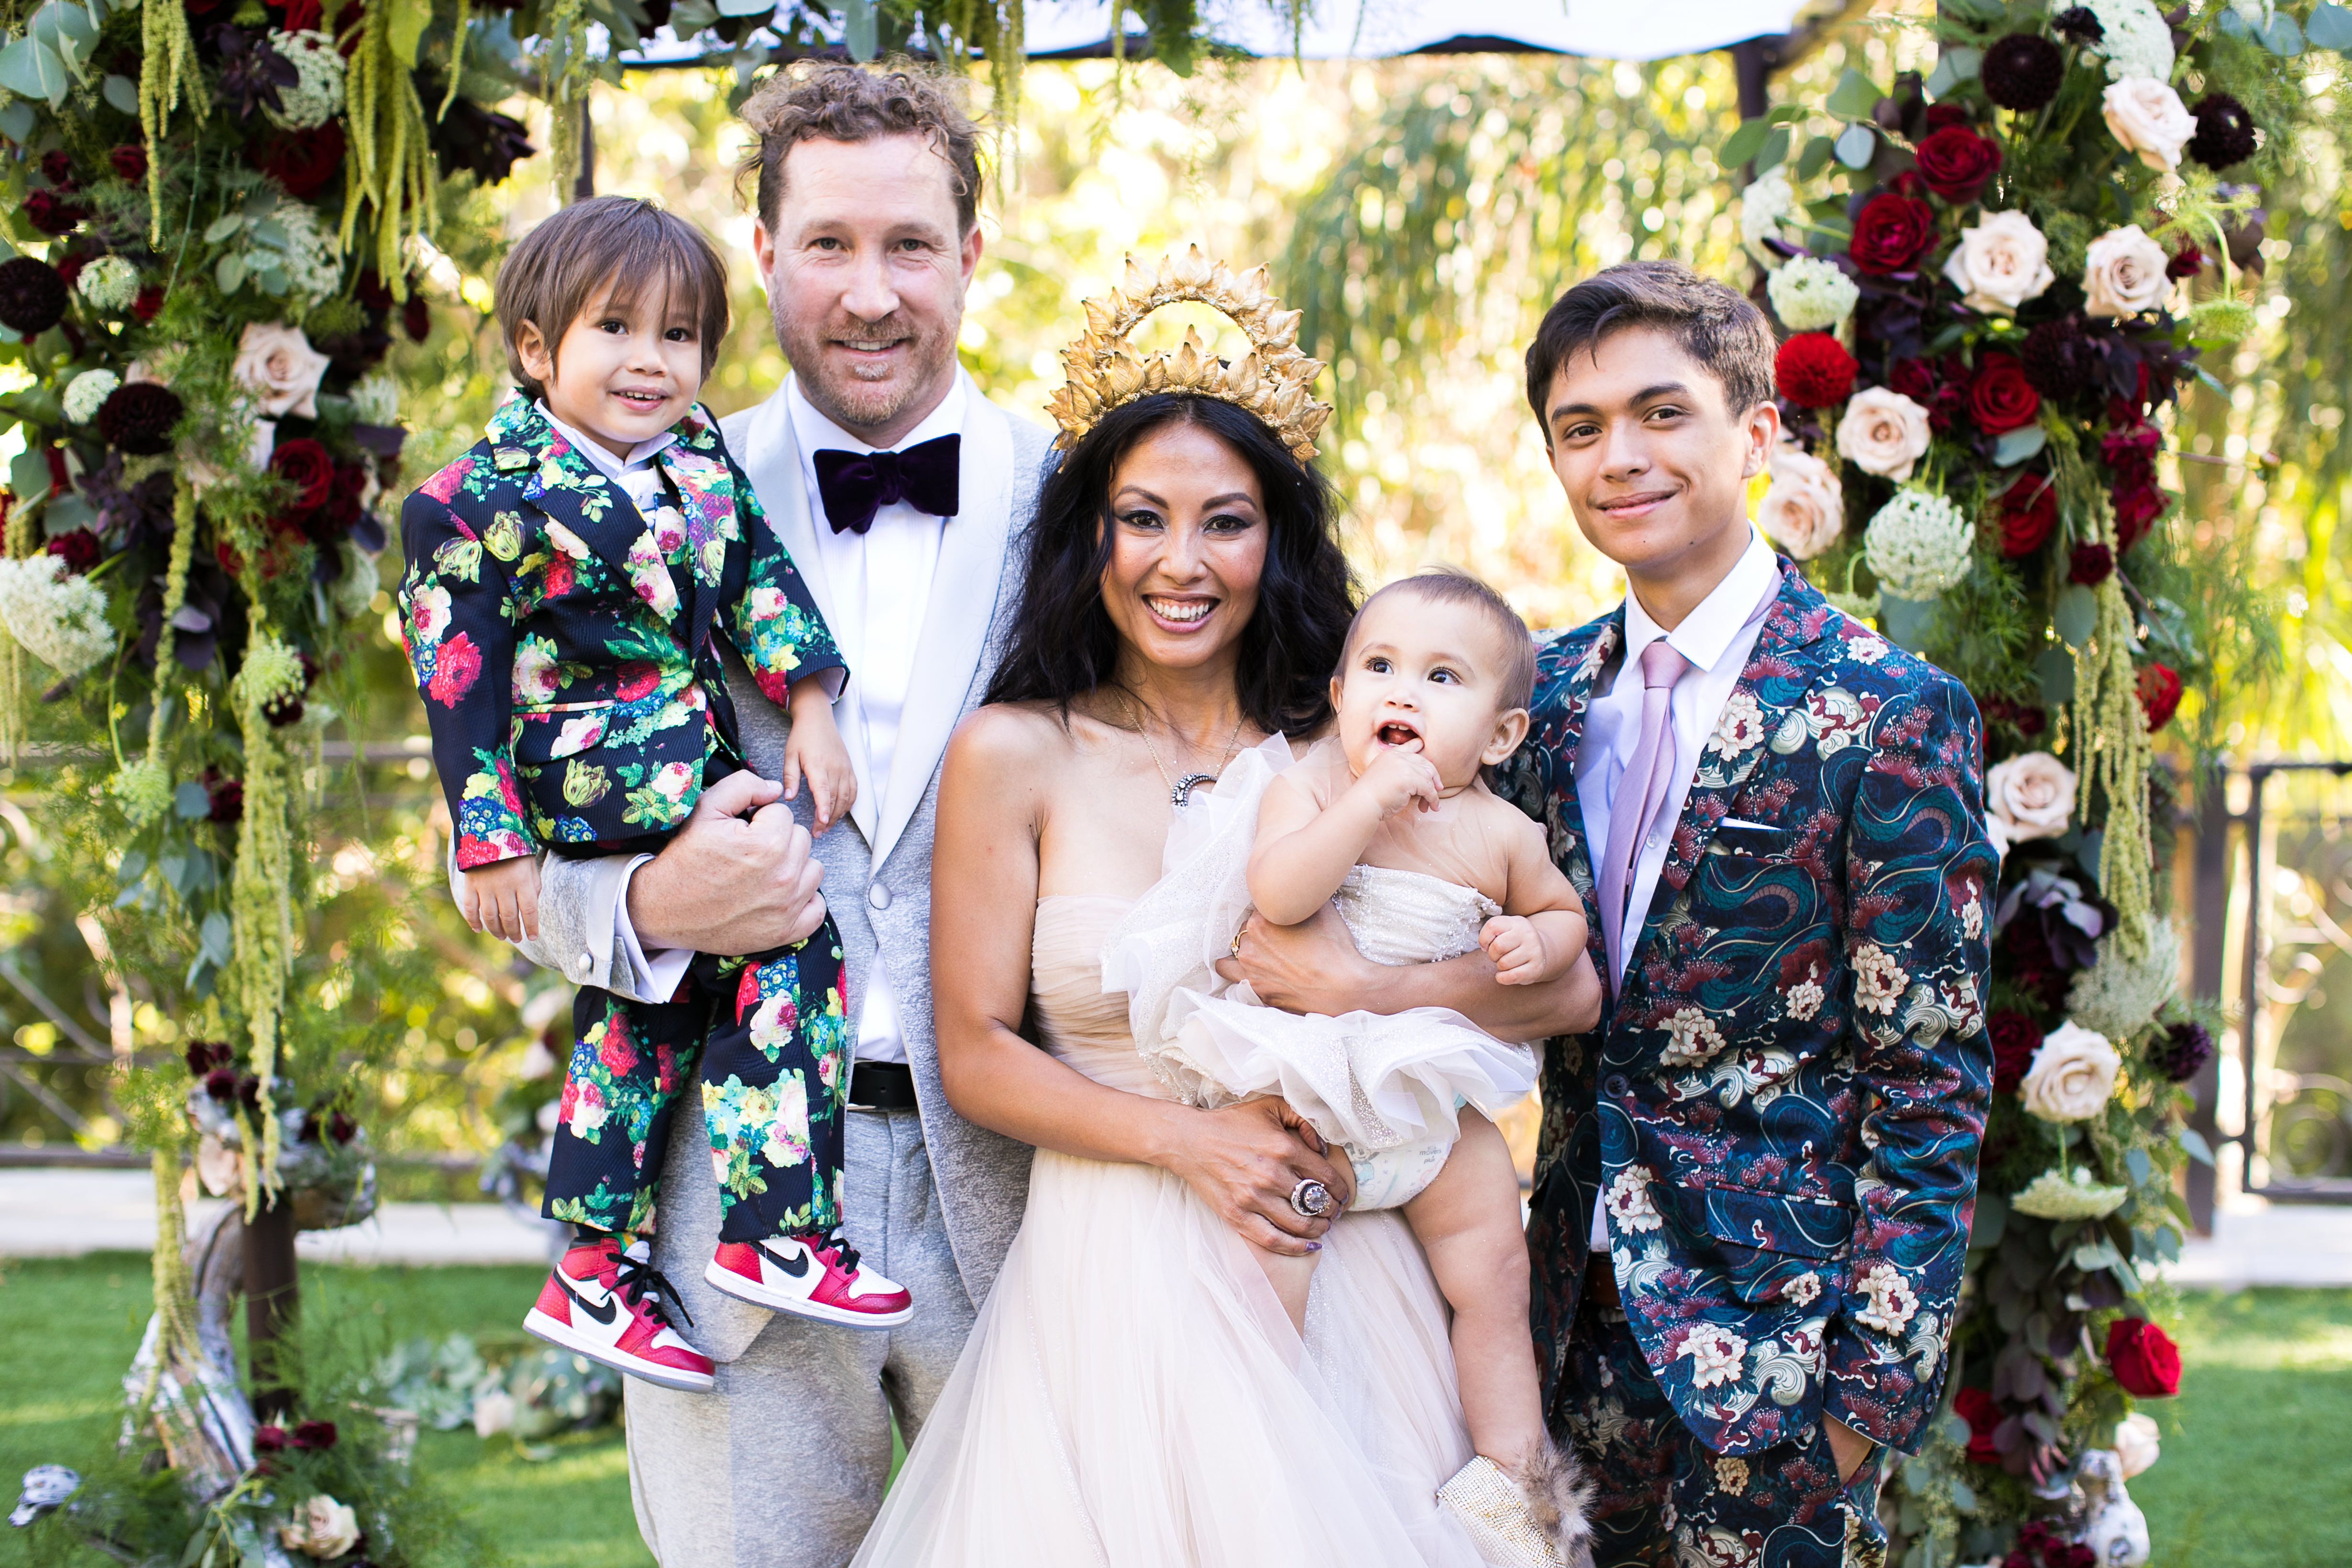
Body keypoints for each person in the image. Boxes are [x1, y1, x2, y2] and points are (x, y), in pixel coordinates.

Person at [488, 68, 1341, 1568]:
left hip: (1036, 1211)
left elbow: (1247, 757)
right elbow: (493, 835)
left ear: (972, 250)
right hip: (725, 1202)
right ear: (761, 254)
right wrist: (639, 911)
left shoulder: (1096, 510)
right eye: (827, 245)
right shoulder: (624, 489)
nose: (869, 294)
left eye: (908, 246)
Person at [855, 252, 1599, 1567]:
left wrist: (1372, 996)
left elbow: (1560, 984)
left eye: (1226, 521)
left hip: (1346, 1242)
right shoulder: (1014, 753)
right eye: (1140, 518)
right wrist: (1187, 1145)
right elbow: (970, 1052)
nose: (1178, 563)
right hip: (1116, 1259)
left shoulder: (1354, 745)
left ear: (1280, 536)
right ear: (1089, 531)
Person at [1487, 259, 1999, 1567]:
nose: (1620, 457)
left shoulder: (1884, 713)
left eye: (1662, 413)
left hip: (1778, 1356)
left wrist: (1864, 1400)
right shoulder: (1526, 701)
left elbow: (1929, 1077)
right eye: (1579, 427)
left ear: (1754, 433)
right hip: (1552, 1329)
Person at [399, 197, 912, 1402]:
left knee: (651, 1007)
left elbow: (753, 582)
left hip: (686, 748)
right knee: (791, 930)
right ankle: (773, 1221)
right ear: (537, 348)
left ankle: (591, 1262)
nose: (651, 360)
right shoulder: (471, 497)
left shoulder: (697, 456)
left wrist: (813, 701)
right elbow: (455, 679)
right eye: (616, 328)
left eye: (679, 336)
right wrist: (489, 843)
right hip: (587, 769)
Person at [1106, 568, 1594, 1566]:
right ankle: (1258, 1438)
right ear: (1338, 697)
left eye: (1441, 676)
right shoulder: (1312, 784)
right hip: (1308, 1091)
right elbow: (1279, 892)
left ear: (1499, 736)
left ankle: (1513, 1470)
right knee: (1274, 1253)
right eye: (1377, 666)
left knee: (1493, 1267)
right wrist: (1366, 802)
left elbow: (1561, 917)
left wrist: (1536, 945)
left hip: (1421, 1106)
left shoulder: (1499, 830)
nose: (1401, 692)